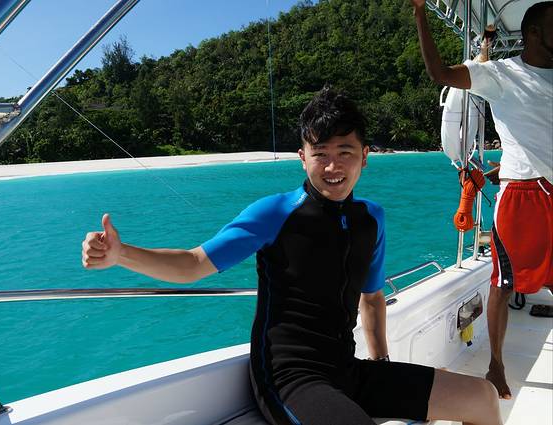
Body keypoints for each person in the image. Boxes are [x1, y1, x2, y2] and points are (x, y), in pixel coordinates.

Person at [82, 86, 502, 425]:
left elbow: (372, 298)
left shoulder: (371, 219)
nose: (333, 167)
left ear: (364, 157)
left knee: (481, 397)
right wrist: (121, 254)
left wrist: (383, 366)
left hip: (348, 369)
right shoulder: (274, 213)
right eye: (321, 154)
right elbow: (193, 264)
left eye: (345, 152)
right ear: (303, 158)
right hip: (290, 377)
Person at [410, 0, 553, 400]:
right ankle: (496, 365)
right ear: (534, 33)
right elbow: (440, 73)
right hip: (523, 194)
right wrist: (420, 12)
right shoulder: (500, 74)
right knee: (504, 284)